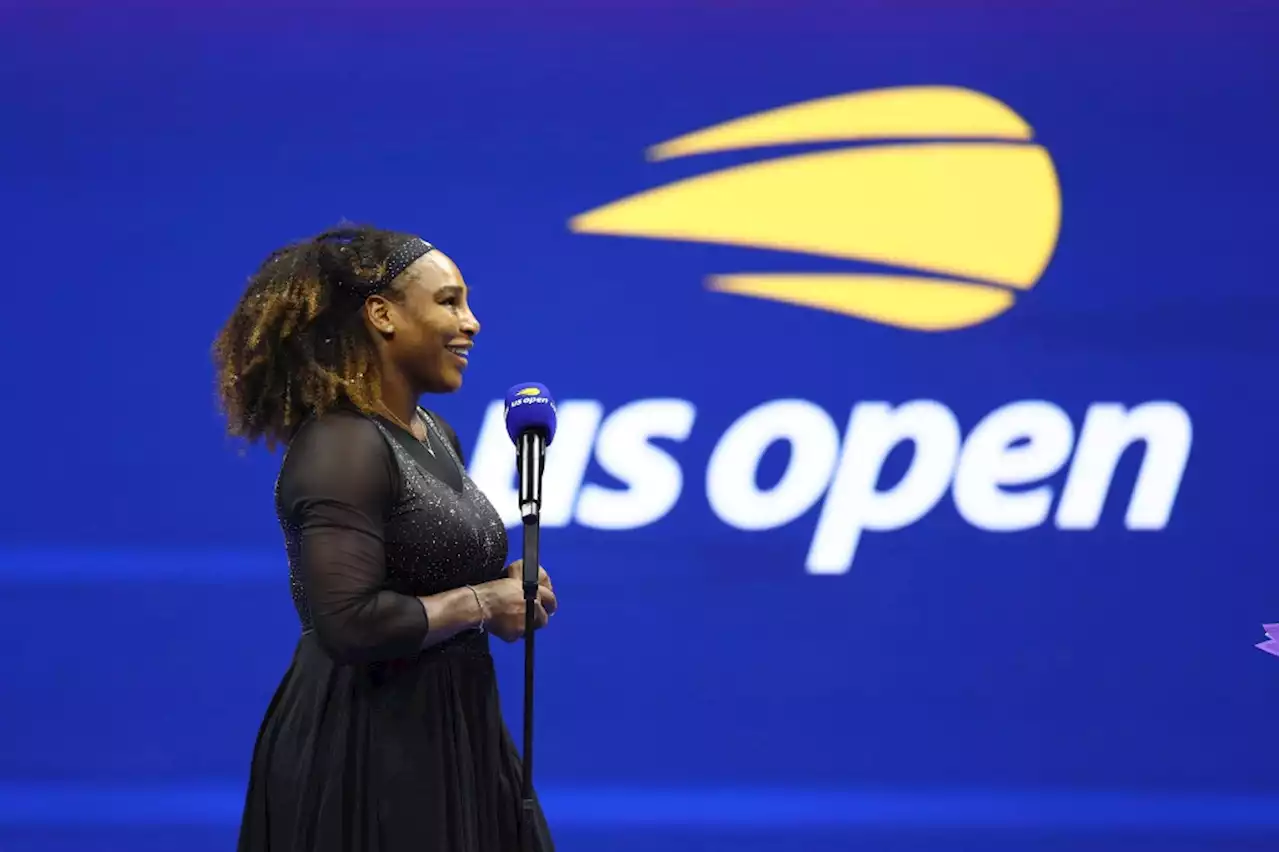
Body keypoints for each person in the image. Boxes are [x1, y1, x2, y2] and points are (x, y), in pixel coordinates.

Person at [212, 224, 558, 852]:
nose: (471, 322)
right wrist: (481, 603)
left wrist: (506, 594)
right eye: (449, 301)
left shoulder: (435, 432)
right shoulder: (342, 444)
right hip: (366, 748)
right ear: (382, 315)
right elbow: (347, 622)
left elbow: (433, 578)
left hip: (458, 731)